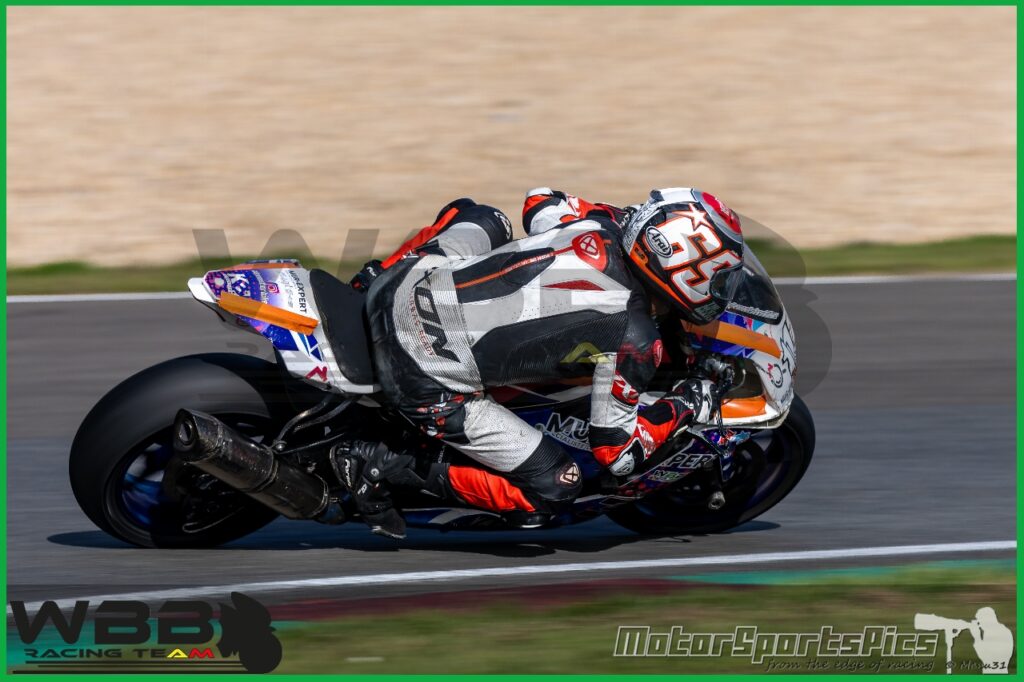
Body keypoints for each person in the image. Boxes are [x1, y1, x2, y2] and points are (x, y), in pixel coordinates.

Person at [333, 187, 746, 538]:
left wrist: (620, 217)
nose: (721, 290)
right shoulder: (636, 339)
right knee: (557, 485)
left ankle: (369, 277)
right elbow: (616, 453)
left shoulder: (599, 225)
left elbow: (540, 200)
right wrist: (688, 402)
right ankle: (383, 464)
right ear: (682, 269)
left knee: (485, 216)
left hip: (400, 283)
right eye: (719, 277)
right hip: (421, 373)